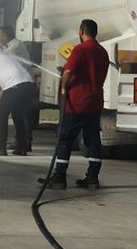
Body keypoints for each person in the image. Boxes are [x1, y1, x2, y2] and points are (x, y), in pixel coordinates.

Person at [40, 19, 110, 190]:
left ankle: (59, 177)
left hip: (77, 102)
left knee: (64, 138)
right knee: (93, 140)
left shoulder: (79, 50)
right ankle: (92, 178)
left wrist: (63, 88)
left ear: (81, 31)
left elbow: (69, 72)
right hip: (95, 102)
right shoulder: (102, 52)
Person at [0, 50, 37, 156]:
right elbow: (5, 87)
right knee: (17, 115)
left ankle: (1, 147)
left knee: (2, 115)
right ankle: (22, 147)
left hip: (14, 86)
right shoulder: (5, 56)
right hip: (28, 85)